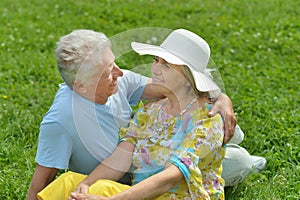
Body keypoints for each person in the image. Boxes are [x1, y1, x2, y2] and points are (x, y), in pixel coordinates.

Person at [26, 29, 265, 200]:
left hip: (177, 195)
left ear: (188, 77)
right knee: (69, 184)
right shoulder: (148, 111)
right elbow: (123, 154)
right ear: (80, 85)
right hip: (138, 190)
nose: (154, 68)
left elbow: (171, 178)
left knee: (233, 154)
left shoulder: (205, 120)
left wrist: (222, 98)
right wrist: (86, 184)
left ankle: (242, 155)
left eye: (167, 65)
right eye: (155, 60)